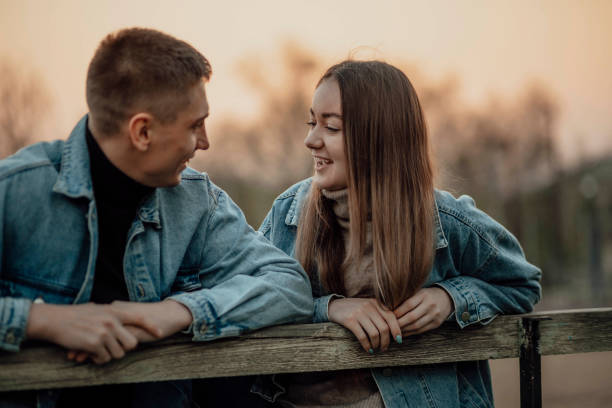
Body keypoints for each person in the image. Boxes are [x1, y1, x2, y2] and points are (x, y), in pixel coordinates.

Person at [0, 28, 312, 407]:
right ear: (142, 131)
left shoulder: (197, 201)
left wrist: (177, 311)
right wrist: (42, 321)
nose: (205, 141)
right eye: (195, 125)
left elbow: (289, 285)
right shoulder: (14, 191)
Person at [252, 60, 542, 408]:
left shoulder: (445, 220)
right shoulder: (288, 214)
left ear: (379, 138)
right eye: (312, 122)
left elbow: (522, 284)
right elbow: (249, 301)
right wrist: (328, 309)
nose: (310, 140)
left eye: (330, 127)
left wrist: (451, 299)